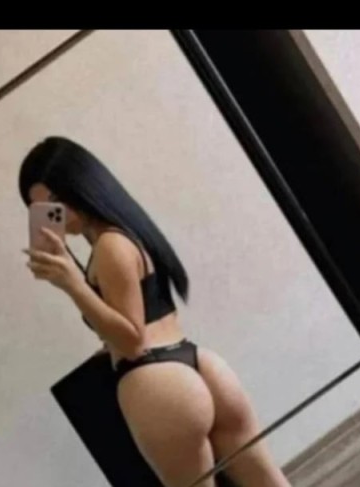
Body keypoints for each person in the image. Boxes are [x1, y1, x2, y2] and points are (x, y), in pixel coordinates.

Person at [19, 136, 291, 487]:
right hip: (200, 363)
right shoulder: (128, 232)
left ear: (80, 184)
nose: (55, 215)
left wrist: (73, 284)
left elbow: (132, 340)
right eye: (41, 208)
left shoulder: (109, 246)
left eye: (57, 200)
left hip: (157, 384)